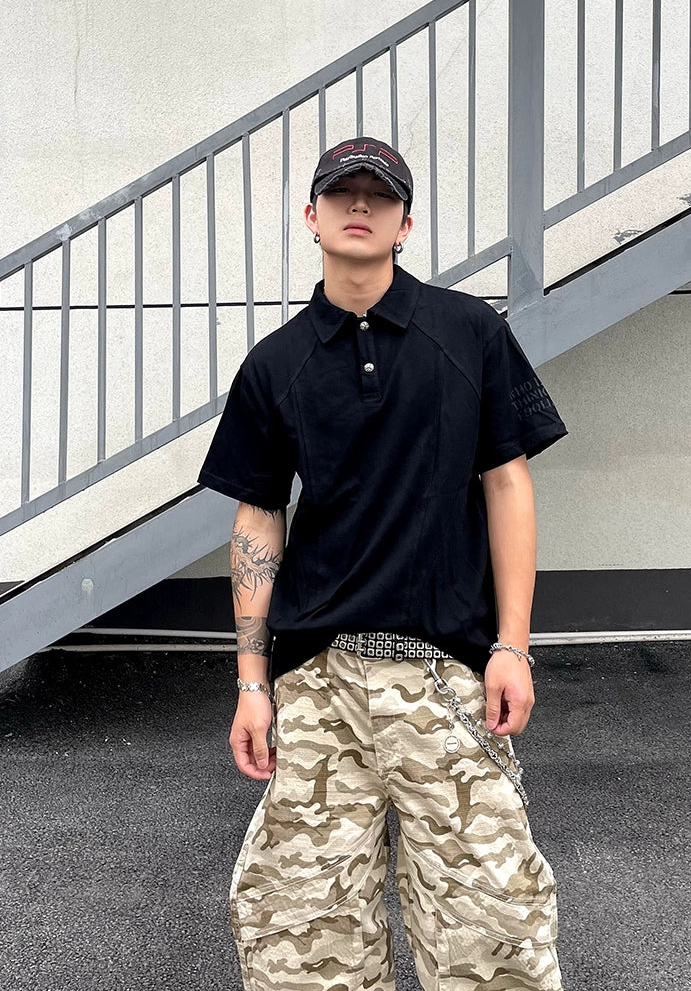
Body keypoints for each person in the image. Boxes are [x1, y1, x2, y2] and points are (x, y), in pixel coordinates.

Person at [197, 135, 568, 990]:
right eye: (341, 193)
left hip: (445, 673)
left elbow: (508, 483)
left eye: (380, 195)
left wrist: (512, 645)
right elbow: (258, 520)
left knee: (491, 925)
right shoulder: (275, 364)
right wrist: (252, 683)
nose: (358, 206)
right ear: (311, 215)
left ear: (405, 224)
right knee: (300, 931)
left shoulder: (469, 332)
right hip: (318, 684)